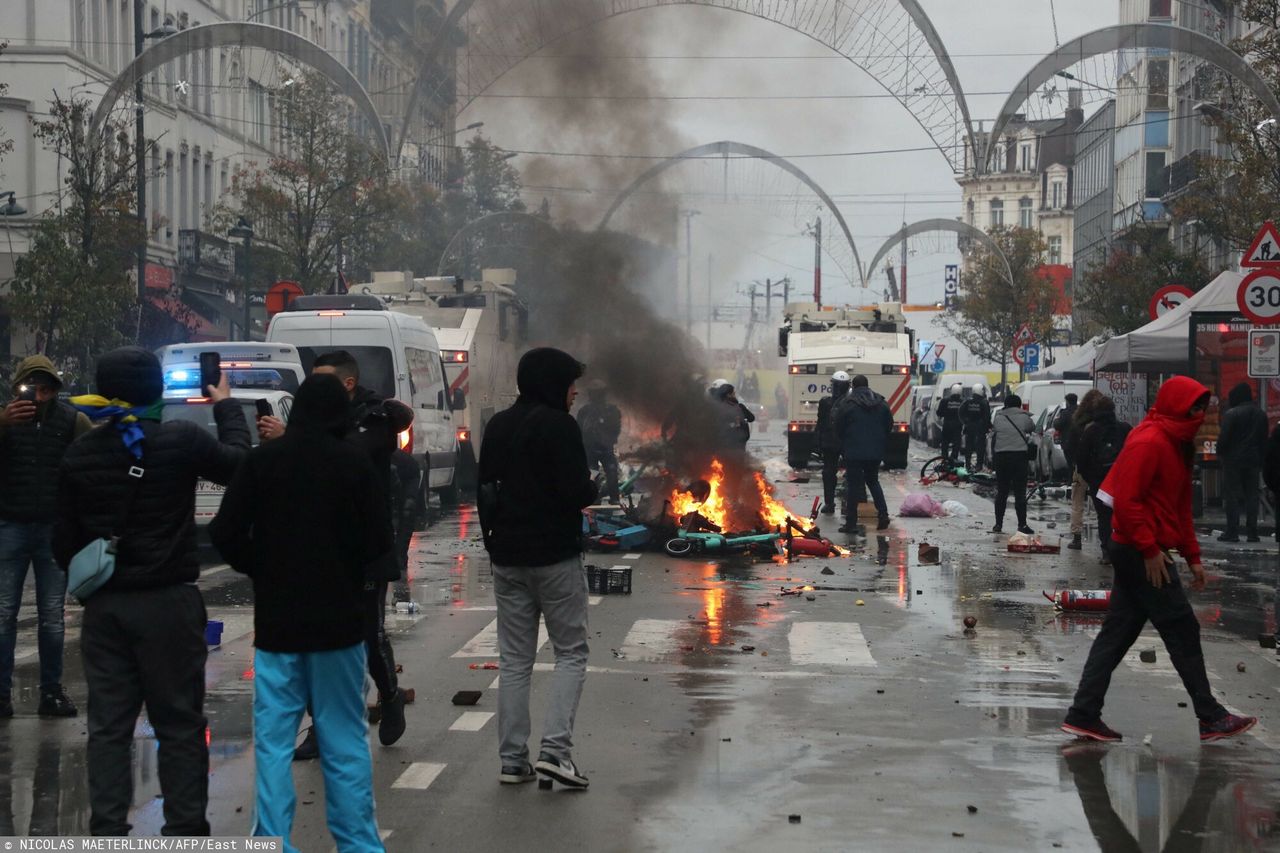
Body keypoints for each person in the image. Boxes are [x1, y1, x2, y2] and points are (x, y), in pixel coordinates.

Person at [53, 347, 250, 836]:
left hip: (107, 609)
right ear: (157, 390)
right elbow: (241, 466)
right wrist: (224, 404)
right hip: (170, 602)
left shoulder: (79, 455)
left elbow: (62, 543)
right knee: (180, 724)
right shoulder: (182, 441)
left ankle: (107, 832)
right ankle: (184, 830)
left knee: (108, 729)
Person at [210, 374, 388, 852]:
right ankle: (359, 845)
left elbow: (225, 532)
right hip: (340, 627)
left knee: (273, 741)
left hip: (278, 629)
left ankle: (271, 840)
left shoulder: (263, 461)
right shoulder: (354, 464)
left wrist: (263, 568)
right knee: (344, 739)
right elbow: (378, 542)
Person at [1061, 376, 1257, 744]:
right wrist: (1150, 550)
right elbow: (1128, 502)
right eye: (1193, 408)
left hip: (1141, 547)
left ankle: (1083, 712)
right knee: (1181, 627)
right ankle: (1210, 716)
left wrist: (1193, 556)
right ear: (1176, 407)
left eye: (1203, 407)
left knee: (1118, 633)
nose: (1199, 415)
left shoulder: (1175, 443)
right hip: (1139, 549)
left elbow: (1178, 507)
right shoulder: (1149, 441)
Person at [261, 351, 414, 755]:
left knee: (367, 632)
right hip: (318, 544)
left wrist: (293, 440)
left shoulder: (373, 417)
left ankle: (390, 694)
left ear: (346, 384)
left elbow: (353, 454)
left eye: (322, 382)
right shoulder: (307, 422)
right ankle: (321, 726)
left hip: (364, 545)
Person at [478, 348, 597, 789]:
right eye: (570, 384)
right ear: (552, 384)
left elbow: (485, 488)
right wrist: (592, 486)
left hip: (507, 557)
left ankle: (513, 761)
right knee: (570, 653)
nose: (574, 393)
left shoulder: (498, 425)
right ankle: (555, 752)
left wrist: (494, 542)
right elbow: (574, 492)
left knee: (514, 660)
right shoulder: (560, 426)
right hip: (554, 559)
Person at [0, 356, 92, 719]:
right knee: (4, 613)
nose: (37, 395)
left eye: (45, 388)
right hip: (10, 525)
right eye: (30, 387)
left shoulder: (72, 421)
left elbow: (90, 467)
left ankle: (51, 692)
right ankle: (2, 695)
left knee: (52, 617)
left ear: (55, 390)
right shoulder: (6, 420)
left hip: (54, 530)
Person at [1074, 396, 1131, 565]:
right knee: (1123, 515)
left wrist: (1091, 478)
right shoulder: (1124, 428)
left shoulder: (1091, 431)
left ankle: (1107, 550)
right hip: (1122, 479)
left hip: (1099, 481)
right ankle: (1124, 550)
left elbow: (1081, 458)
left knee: (1104, 517)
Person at [835, 374, 892, 534]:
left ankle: (851, 523)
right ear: (868, 385)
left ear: (853, 385)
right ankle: (883, 515)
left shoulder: (848, 403)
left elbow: (839, 426)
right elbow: (889, 425)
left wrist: (844, 443)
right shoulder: (881, 403)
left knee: (853, 485)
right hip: (875, 451)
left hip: (853, 451)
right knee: (873, 481)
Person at [1216, 382, 1268, 543]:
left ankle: (1232, 532)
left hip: (1233, 460)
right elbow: (1263, 439)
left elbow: (1224, 439)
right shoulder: (1260, 414)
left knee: (1232, 496)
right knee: (1252, 495)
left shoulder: (1232, 414)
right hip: (1253, 461)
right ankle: (1252, 533)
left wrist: (1220, 452)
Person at [990, 394, 1036, 535]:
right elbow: (1031, 428)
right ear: (1019, 405)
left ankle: (998, 524)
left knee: (1002, 491)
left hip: (1001, 458)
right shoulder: (1025, 417)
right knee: (1020, 493)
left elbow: (995, 432)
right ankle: (1022, 525)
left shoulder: (998, 417)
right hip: (1019, 458)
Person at [1063, 390, 1102, 550]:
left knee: (1077, 501)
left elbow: (1070, 445)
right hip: (1101, 467)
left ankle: (1077, 537)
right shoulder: (1104, 422)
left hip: (1081, 467)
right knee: (1103, 505)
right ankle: (1106, 539)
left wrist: (1074, 463)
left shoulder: (1078, 422)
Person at [576, 383, 622, 504]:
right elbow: (579, 429)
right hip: (594, 447)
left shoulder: (610, 410)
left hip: (601, 448)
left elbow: (616, 428)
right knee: (600, 472)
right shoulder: (586, 411)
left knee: (603, 472)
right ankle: (605, 498)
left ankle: (609, 498)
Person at [815, 371, 852, 515]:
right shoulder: (851, 403)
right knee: (849, 473)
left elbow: (820, 424)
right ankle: (846, 504)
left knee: (829, 473)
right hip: (845, 442)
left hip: (831, 442)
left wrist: (817, 444)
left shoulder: (825, 402)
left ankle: (830, 503)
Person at [712, 382, 755, 450]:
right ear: (728, 395)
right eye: (733, 393)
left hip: (720, 444)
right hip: (737, 443)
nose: (735, 395)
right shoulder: (739, 407)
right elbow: (751, 418)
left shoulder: (714, 407)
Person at [959, 383, 992, 471]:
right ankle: (979, 465)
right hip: (980, 428)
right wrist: (988, 426)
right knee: (980, 447)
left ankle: (968, 465)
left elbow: (960, 413)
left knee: (968, 447)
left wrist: (965, 422)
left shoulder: (967, 401)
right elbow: (987, 416)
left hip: (969, 427)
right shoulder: (984, 402)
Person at [936, 384, 964, 463]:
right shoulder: (962, 402)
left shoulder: (945, 400)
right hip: (958, 426)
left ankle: (944, 459)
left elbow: (939, 413)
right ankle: (953, 459)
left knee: (945, 443)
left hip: (947, 426)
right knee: (956, 443)